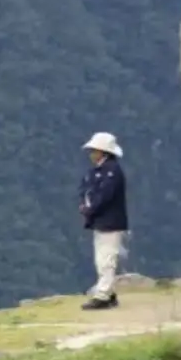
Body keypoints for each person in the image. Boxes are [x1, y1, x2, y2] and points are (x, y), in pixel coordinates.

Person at [78, 131, 129, 309]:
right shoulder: (97, 171)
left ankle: (102, 295)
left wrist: (90, 209)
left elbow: (105, 196)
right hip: (100, 221)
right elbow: (86, 190)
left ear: (104, 152)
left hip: (110, 222)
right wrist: (84, 205)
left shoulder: (112, 172)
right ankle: (109, 292)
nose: (91, 154)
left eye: (95, 150)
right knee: (101, 259)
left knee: (107, 259)